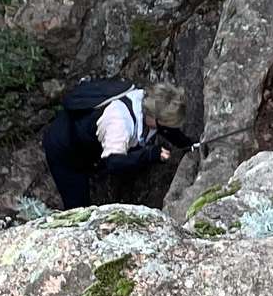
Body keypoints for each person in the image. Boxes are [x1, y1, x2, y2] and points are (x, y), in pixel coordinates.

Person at [41, 78, 195, 209]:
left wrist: (188, 144)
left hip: (85, 138)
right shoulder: (120, 122)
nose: (166, 128)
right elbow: (113, 162)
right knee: (78, 208)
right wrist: (150, 154)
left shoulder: (147, 100)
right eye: (164, 124)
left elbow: (166, 128)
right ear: (154, 118)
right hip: (65, 151)